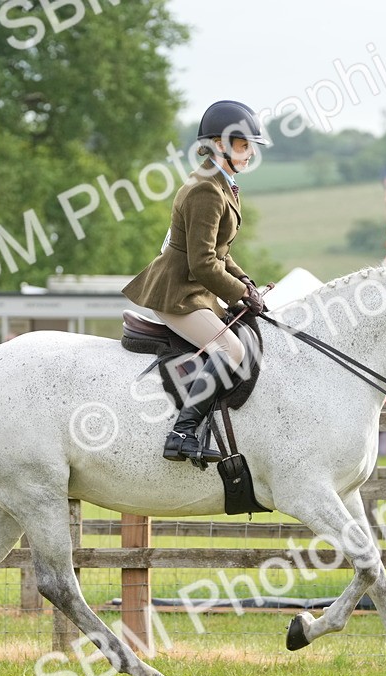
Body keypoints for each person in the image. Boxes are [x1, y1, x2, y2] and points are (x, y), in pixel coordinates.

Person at [123, 100, 268, 464]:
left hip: (195, 289)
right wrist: (239, 293)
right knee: (231, 351)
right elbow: (203, 263)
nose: (250, 153)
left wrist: (245, 282)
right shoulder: (206, 190)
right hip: (177, 292)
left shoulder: (220, 183)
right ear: (219, 144)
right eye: (243, 145)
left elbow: (220, 251)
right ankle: (181, 434)